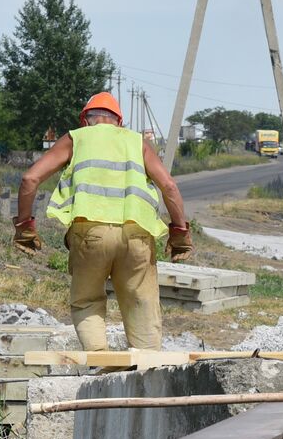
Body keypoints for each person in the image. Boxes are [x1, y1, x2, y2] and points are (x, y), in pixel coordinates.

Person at [13, 92, 191, 352]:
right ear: (119, 122)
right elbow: (170, 187)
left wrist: (24, 228)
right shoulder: (136, 141)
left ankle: (100, 359)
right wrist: (179, 235)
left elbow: (30, 179)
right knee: (141, 302)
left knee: (87, 301)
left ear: (85, 121)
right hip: (137, 236)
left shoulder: (77, 138)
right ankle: (148, 368)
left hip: (89, 234)